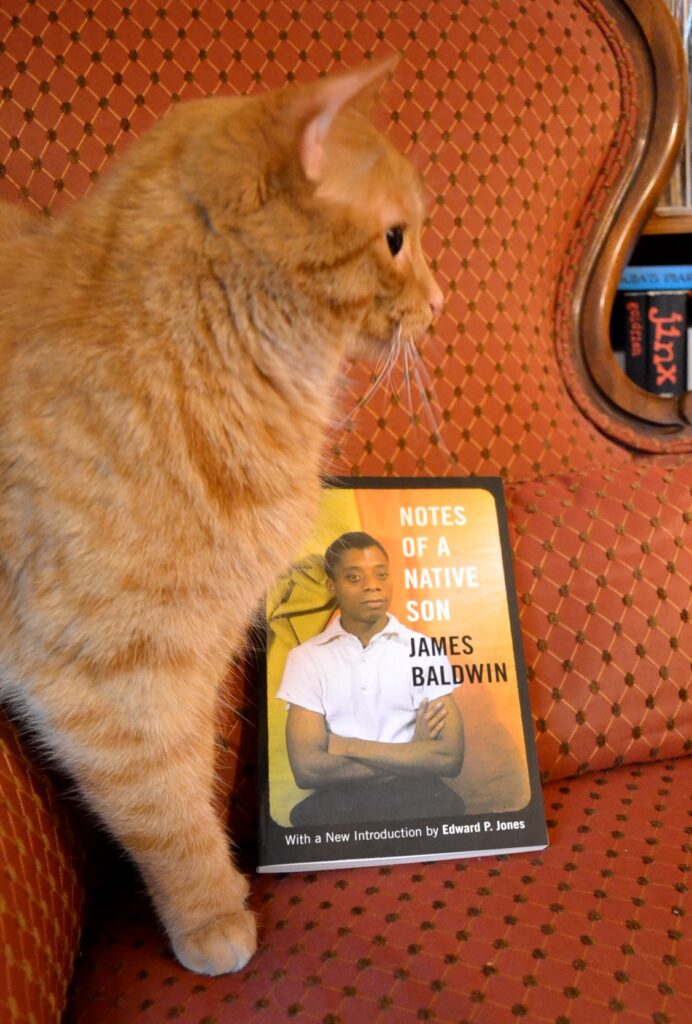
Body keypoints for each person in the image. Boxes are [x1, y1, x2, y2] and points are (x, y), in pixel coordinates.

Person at [276, 531, 466, 825]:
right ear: (332, 585)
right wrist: (413, 751)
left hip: (416, 796)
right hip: (339, 801)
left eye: (381, 575)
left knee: (447, 809)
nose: (373, 587)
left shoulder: (424, 649)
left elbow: (449, 758)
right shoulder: (306, 658)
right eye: (354, 578)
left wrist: (348, 745)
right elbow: (307, 770)